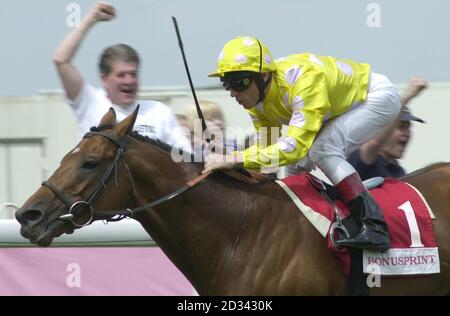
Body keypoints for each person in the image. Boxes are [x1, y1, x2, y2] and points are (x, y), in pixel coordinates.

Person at [203, 35, 402, 251]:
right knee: (293, 166)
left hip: (376, 97)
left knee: (323, 149)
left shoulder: (302, 80)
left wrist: (233, 159)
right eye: (226, 83)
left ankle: (374, 224)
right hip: (339, 108)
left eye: (238, 82)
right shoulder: (256, 102)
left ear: (263, 75)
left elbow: (294, 147)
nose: (233, 92)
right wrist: (227, 162)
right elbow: (265, 154)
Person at [53, 1, 190, 151]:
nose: (129, 81)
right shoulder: (90, 102)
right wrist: (91, 19)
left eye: (133, 74)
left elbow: (185, 158)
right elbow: (61, 60)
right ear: (104, 78)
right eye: (121, 75)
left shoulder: (159, 112)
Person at [347, 77, 427, 180]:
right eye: (401, 127)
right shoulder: (362, 158)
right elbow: (374, 143)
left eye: (408, 128)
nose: (407, 133)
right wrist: (408, 95)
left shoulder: (398, 171)